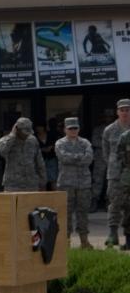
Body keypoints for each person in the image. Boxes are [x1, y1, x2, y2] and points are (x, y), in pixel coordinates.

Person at [55, 117, 94, 249]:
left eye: (75, 128)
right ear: (65, 129)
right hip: (66, 183)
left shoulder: (85, 143)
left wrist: (74, 157)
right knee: (66, 213)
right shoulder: (60, 143)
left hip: (83, 183)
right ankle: (66, 241)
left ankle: (84, 241)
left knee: (83, 212)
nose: (73, 130)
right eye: (70, 128)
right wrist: (79, 157)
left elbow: (88, 159)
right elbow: (63, 158)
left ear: (79, 129)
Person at [101, 99, 130, 247]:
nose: (125, 112)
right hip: (115, 174)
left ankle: (128, 236)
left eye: (127, 110)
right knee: (114, 203)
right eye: (122, 110)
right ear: (117, 112)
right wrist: (114, 166)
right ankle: (113, 234)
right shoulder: (109, 130)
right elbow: (105, 153)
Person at [0, 117, 46, 192]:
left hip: (31, 183)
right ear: (17, 129)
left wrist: (43, 180)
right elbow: (0, 152)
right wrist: (12, 136)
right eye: (24, 132)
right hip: (13, 184)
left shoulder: (33, 140)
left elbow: (39, 161)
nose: (26, 135)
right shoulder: (6, 140)